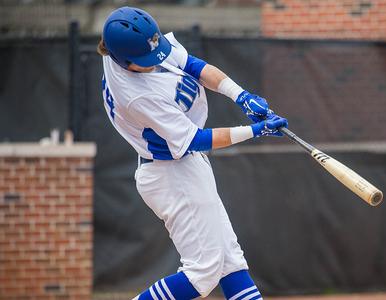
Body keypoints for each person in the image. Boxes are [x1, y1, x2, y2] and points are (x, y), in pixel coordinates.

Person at [97, 6, 288, 300]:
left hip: (183, 165)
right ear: (125, 62)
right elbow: (195, 140)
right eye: (146, 61)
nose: (155, 60)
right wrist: (254, 131)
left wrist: (242, 96)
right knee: (203, 272)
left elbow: (194, 66)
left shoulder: (131, 47)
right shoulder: (135, 95)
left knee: (230, 260)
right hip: (170, 174)